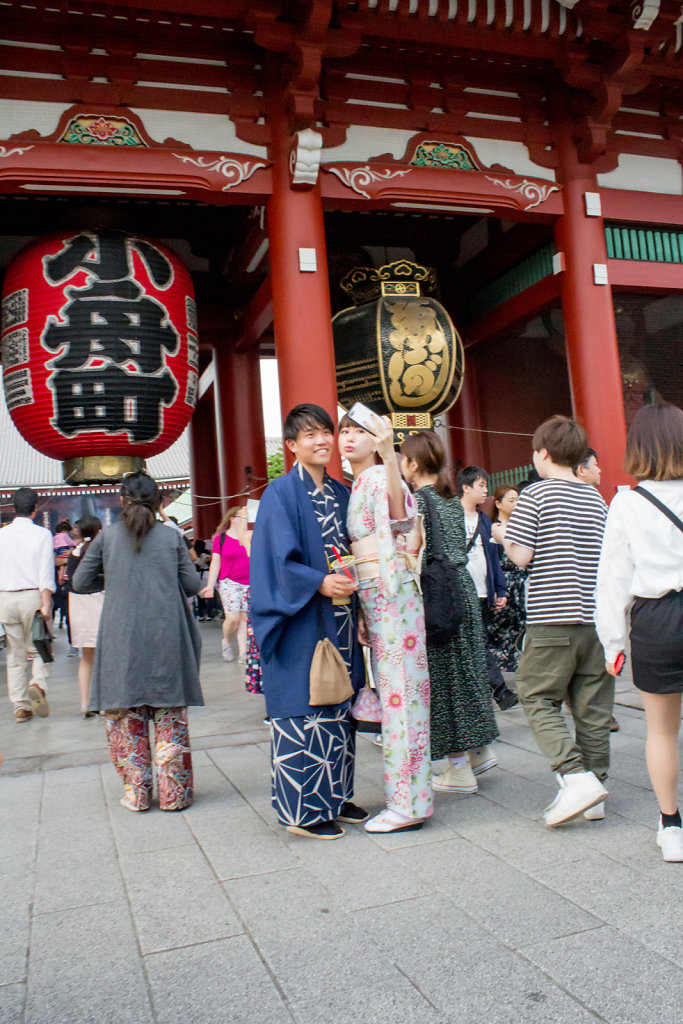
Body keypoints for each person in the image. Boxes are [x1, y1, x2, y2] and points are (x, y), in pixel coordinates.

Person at [250, 404, 367, 840]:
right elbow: (275, 560)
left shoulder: (341, 493)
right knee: (305, 707)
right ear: (292, 445)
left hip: (339, 616)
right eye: (310, 435)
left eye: (326, 432)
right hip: (299, 616)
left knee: (341, 706)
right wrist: (317, 582)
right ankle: (303, 810)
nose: (321, 441)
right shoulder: (280, 493)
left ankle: (335, 796)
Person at [493, 415, 611, 827]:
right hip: (594, 619)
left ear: (542, 454)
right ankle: (595, 791)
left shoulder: (537, 495)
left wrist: (502, 537)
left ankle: (575, 777)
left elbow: (521, 556)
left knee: (535, 695)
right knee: (592, 706)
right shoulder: (595, 498)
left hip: (552, 618)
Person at [72, 472, 203, 812]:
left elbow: (80, 582)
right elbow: (191, 585)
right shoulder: (172, 537)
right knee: (169, 713)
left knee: (126, 715)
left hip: (121, 637)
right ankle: (175, 795)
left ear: (121, 500)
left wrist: (114, 577)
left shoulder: (106, 538)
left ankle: (137, 793)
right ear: (159, 502)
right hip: (166, 636)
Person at [595, 404, 683, 862]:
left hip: (657, 617)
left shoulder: (627, 502)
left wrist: (611, 642)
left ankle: (672, 827)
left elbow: (613, 578)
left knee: (662, 730)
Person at [343, 412, 433, 833]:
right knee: (399, 692)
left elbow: (400, 518)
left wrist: (388, 457)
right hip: (378, 595)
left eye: (358, 431)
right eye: (344, 430)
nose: (348, 438)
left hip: (391, 590)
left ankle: (408, 804)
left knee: (401, 695)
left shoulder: (379, 476)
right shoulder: (360, 482)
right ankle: (409, 797)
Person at [401, 432, 498, 795]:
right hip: (464, 590)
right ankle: (480, 749)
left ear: (412, 464)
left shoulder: (418, 501)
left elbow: (413, 550)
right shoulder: (452, 501)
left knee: (444, 680)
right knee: (469, 670)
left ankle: (458, 768)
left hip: (439, 594)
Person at [456, 467, 518, 710]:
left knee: (474, 644)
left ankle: (475, 697)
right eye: (481, 485)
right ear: (466, 487)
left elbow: (493, 558)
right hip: (463, 592)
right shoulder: (452, 517)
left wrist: (499, 590)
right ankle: (500, 691)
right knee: (479, 642)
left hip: (484, 591)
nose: (485, 490)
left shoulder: (484, 520)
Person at [0, 487, 55, 722]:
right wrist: (46, 605)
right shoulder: (42, 535)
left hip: (5, 597)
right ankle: (38, 684)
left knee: (15, 654)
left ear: (13, 508)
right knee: (40, 648)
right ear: (35, 509)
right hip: (32, 596)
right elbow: (45, 573)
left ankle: (21, 706)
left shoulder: (1, 535)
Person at [65, 515, 104, 718]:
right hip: (99, 602)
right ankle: (105, 701)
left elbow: (72, 582)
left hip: (78, 607)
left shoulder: (73, 554)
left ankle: (85, 702)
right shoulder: (100, 551)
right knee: (106, 657)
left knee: (86, 658)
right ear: (98, 530)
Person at [487, 485, 527, 672]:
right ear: (498, 504)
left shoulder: (522, 526)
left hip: (522, 582)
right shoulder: (492, 528)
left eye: (518, 500)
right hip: (505, 582)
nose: (516, 504)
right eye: (511, 500)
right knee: (502, 628)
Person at [202, 507, 250, 663]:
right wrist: (210, 585)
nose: (244, 519)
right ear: (232, 519)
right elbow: (215, 563)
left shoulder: (249, 537)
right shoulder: (221, 539)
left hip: (248, 582)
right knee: (233, 618)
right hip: (229, 581)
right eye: (241, 517)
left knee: (244, 618)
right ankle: (227, 641)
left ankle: (243, 652)